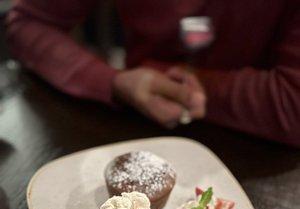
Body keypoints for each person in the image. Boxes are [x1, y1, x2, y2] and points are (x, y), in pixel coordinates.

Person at [5, 0, 300, 147]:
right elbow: (26, 23)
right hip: (135, 126)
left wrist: (156, 72)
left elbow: (293, 106)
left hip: (261, 152)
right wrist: (112, 81)